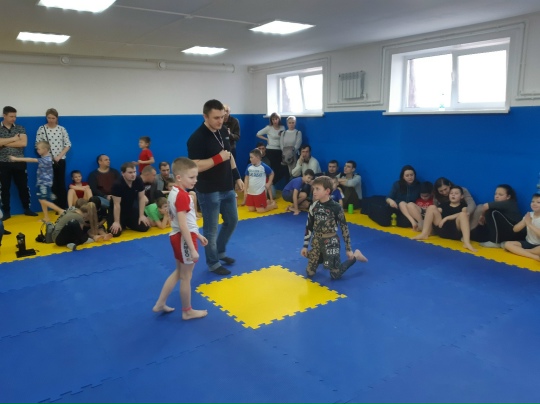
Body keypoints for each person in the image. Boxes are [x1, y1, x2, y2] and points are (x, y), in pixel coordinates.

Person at [187, 99, 244, 276]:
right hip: (208, 190)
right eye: (216, 118)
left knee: (232, 221)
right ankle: (213, 262)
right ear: (205, 116)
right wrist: (217, 159)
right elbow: (195, 165)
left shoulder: (224, 131)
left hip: (227, 186)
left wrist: (237, 176)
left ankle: (220, 251)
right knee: (211, 229)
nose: (220, 121)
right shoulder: (197, 138)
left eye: (222, 116)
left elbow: (229, 155)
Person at [152, 157, 208, 319]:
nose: (195, 180)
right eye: (191, 177)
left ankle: (160, 303)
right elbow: (183, 225)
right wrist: (192, 248)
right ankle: (187, 311)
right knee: (186, 277)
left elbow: (184, 221)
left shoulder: (174, 192)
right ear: (178, 177)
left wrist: (198, 234)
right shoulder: (183, 196)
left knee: (179, 272)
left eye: (196, 176)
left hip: (178, 236)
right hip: (184, 238)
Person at [301, 176, 368, 279]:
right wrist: (305, 246)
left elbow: (344, 228)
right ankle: (322, 257)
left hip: (331, 242)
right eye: (314, 189)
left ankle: (356, 256)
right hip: (317, 241)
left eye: (317, 189)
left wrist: (348, 249)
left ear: (327, 191)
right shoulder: (313, 206)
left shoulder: (336, 207)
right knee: (309, 273)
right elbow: (309, 226)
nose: (314, 192)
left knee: (335, 275)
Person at [9, 141, 64, 223]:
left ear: (45, 149)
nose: (37, 151)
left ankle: (60, 210)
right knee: (42, 200)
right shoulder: (46, 158)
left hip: (44, 184)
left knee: (42, 200)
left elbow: (31, 159)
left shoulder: (46, 159)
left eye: (38, 149)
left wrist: (16, 159)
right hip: (42, 183)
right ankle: (46, 217)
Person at [412, 185, 477, 252]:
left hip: (455, 232)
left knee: (463, 214)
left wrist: (446, 218)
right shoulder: (444, 205)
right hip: (442, 229)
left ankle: (466, 242)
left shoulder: (463, 206)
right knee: (431, 207)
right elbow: (435, 211)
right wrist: (429, 213)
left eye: (456, 193)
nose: (453, 195)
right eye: (451, 193)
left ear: (462, 196)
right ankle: (424, 234)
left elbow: (465, 214)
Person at [0, 106, 38, 219]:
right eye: (11, 116)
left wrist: (3, 143)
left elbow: (23, 143)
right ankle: (6, 212)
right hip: (3, 162)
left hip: (19, 161)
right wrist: (13, 139)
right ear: (4, 115)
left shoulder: (20, 128)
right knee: (4, 188)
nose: (14, 118)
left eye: (15, 116)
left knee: (23, 187)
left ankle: (27, 208)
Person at [35, 108, 71, 209]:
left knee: (61, 183)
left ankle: (63, 207)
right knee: (52, 185)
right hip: (47, 161)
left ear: (57, 118)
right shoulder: (42, 129)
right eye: (49, 118)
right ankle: (56, 207)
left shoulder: (61, 129)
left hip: (60, 160)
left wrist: (59, 156)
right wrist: (47, 157)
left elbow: (68, 144)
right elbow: (37, 144)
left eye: (53, 118)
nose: (51, 120)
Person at [108, 162, 151, 236]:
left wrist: (141, 215)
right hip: (118, 210)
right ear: (123, 173)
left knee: (144, 227)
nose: (133, 174)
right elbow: (116, 205)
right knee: (115, 233)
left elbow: (141, 198)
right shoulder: (117, 185)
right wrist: (116, 222)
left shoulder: (138, 180)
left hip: (130, 209)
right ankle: (121, 223)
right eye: (130, 172)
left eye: (134, 172)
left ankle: (126, 223)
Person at [503, 193, 540, 261]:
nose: (534, 204)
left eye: (538, 202)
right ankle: (535, 256)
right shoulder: (529, 215)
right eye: (532, 201)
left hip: (538, 245)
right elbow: (515, 229)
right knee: (507, 244)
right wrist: (524, 221)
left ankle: (522, 251)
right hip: (528, 243)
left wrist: (529, 224)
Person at [242, 148, 277, 213]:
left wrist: (269, 183)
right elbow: (246, 178)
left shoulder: (263, 166)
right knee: (251, 209)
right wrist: (245, 190)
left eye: (251, 157)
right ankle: (265, 203)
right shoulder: (249, 166)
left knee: (260, 210)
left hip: (259, 192)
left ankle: (273, 205)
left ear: (257, 157)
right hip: (251, 191)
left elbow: (272, 173)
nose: (250, 159)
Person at [256, 112, 286, 186]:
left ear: (279, 119)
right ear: (271, 120)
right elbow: (258, 134)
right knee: (269, 168)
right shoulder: (268, 128)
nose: (275, 121)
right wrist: (266, 139)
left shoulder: (282, 128)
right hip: (270, 150)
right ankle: (266, 184)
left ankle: (271, 183)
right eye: (273, 119)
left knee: (279, 169)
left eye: (276, 119)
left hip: (279, 150)